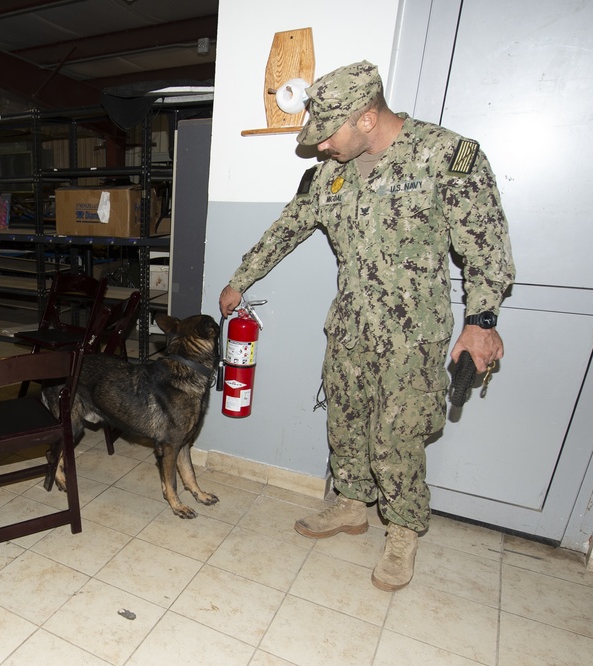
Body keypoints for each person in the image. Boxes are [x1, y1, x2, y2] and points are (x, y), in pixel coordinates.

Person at [219, 61, 515, 591]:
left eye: (327, 135)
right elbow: (288, 226)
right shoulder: (327, 175)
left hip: (412, 335)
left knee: (398, 436)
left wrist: (481, 322)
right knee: (346, 419)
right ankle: (351, 504)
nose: (319, 147)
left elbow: (486, 251)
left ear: (366, 118)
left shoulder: (447, 157)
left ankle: (402, 532)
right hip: (350, 326)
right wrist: (242, 278)